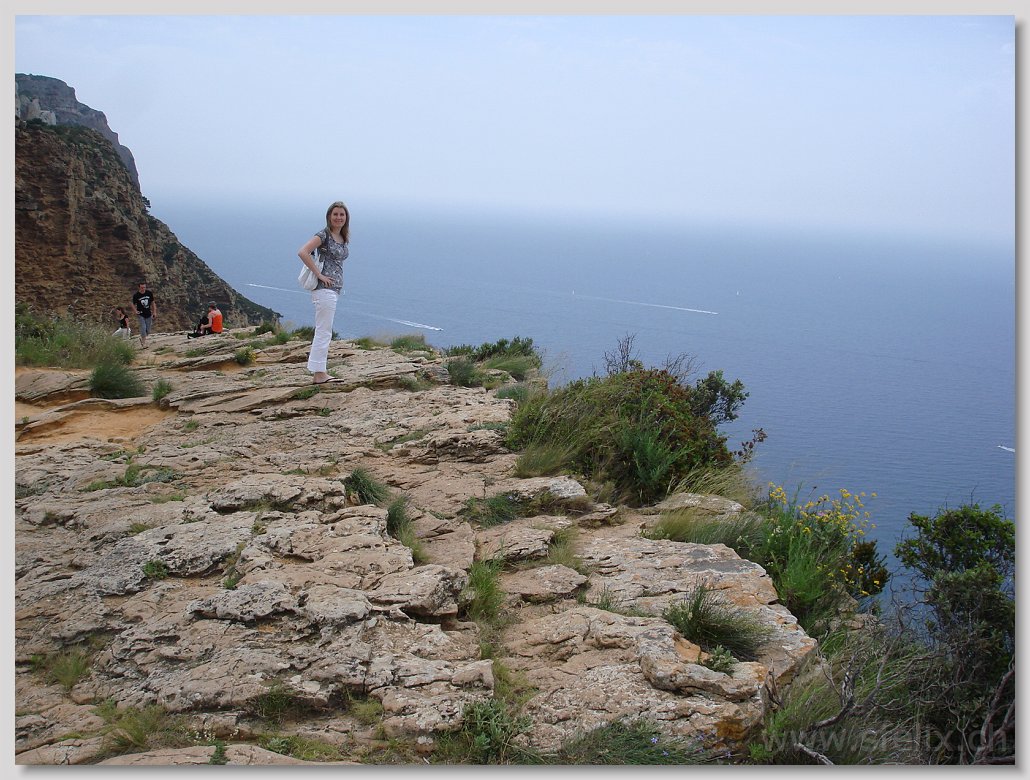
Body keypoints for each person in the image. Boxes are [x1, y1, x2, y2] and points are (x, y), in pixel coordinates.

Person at [297, 201, 349, 384]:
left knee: (324, 330)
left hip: (333, 290)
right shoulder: (324, 235)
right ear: (329, 216)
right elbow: (303, 252)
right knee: (324, 331)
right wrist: (319, 274)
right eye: (335, 214)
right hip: (324, 289)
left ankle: (319, 372)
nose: (338, 217)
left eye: (342, 214)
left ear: (346, 218)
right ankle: (319, 374)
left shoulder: (341, 237)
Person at [132, 281, 156, 348]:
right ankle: (143, 343)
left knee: (148, 330)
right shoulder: (136, 295)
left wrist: (154, 312)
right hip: (141, 314)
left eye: (144, 287)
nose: (143, 289)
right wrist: (135, 311)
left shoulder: (149, 293)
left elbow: (153, 303)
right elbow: (132, 304)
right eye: (142, 287)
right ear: (139, 288)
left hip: (148, 313)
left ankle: (143, 338)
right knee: (143, 327)